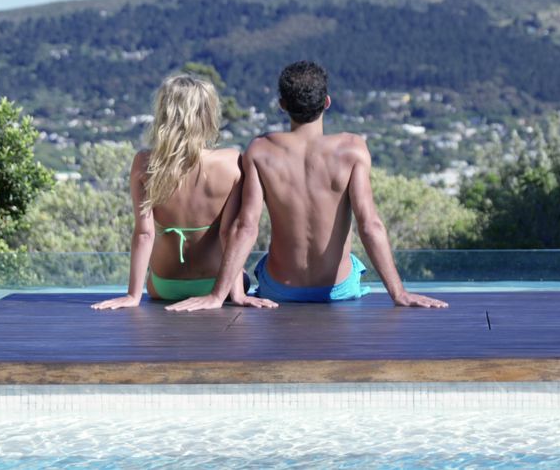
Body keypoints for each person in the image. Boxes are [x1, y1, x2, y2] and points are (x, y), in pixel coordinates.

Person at [165, 60, 447, 311]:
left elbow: (245, 227)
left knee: (264, 264)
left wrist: (218, 294)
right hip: (338, 290)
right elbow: (370, 224)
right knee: (354, 265)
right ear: (326, 102)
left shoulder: (261, 151)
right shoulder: (352, 149)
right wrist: (399, 294)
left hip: (280, 289)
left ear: (282, 105)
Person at [92, 74, 270, 310]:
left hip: (164, 287)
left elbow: (144, 234)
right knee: (248, 273)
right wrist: (235, 293)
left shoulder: (144, 163)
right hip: (214, 284)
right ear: (207, 115)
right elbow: (229, 234)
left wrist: (133, 296)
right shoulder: (231, 162)